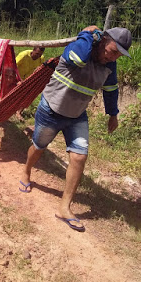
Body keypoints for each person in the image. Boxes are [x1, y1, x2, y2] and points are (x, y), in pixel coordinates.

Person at [19, 26, 132, 232]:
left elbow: (111, 89)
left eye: (118, 55)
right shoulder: (81, 47)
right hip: (51, 110)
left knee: (79, 156)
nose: (114, 57)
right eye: (112, 51)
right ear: (103, 40)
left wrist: (113, 114)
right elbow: (77, 60)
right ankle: (26, 171)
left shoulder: (110, 65)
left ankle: (64, 207)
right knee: (39, 146)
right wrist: (88, 35)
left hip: (77, 115)